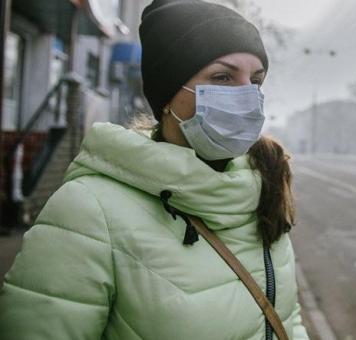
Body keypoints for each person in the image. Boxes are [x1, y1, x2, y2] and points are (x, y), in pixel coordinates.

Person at [0, 1, 309, 339]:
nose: (247, 97)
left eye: (256, 81)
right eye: (223, 76)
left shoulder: (262, 192)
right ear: (166, 94)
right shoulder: (88, 211)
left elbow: (287, 319)